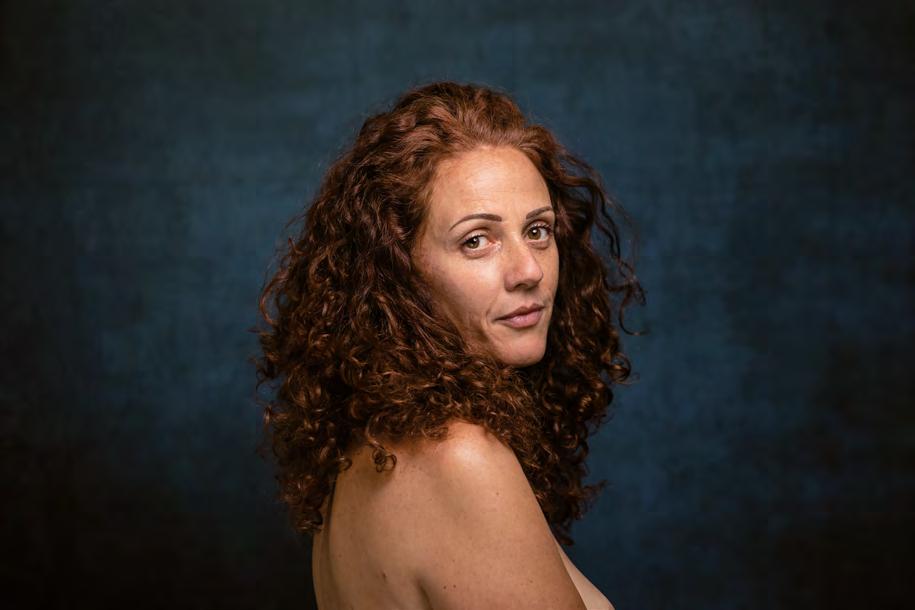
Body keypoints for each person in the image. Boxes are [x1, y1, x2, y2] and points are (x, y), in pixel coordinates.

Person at [253, 81, 645, 609]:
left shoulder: (368, 450)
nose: (529, 270)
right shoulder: (460, 459)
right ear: (396, 272)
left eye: (538, 230)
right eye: (476, 240)